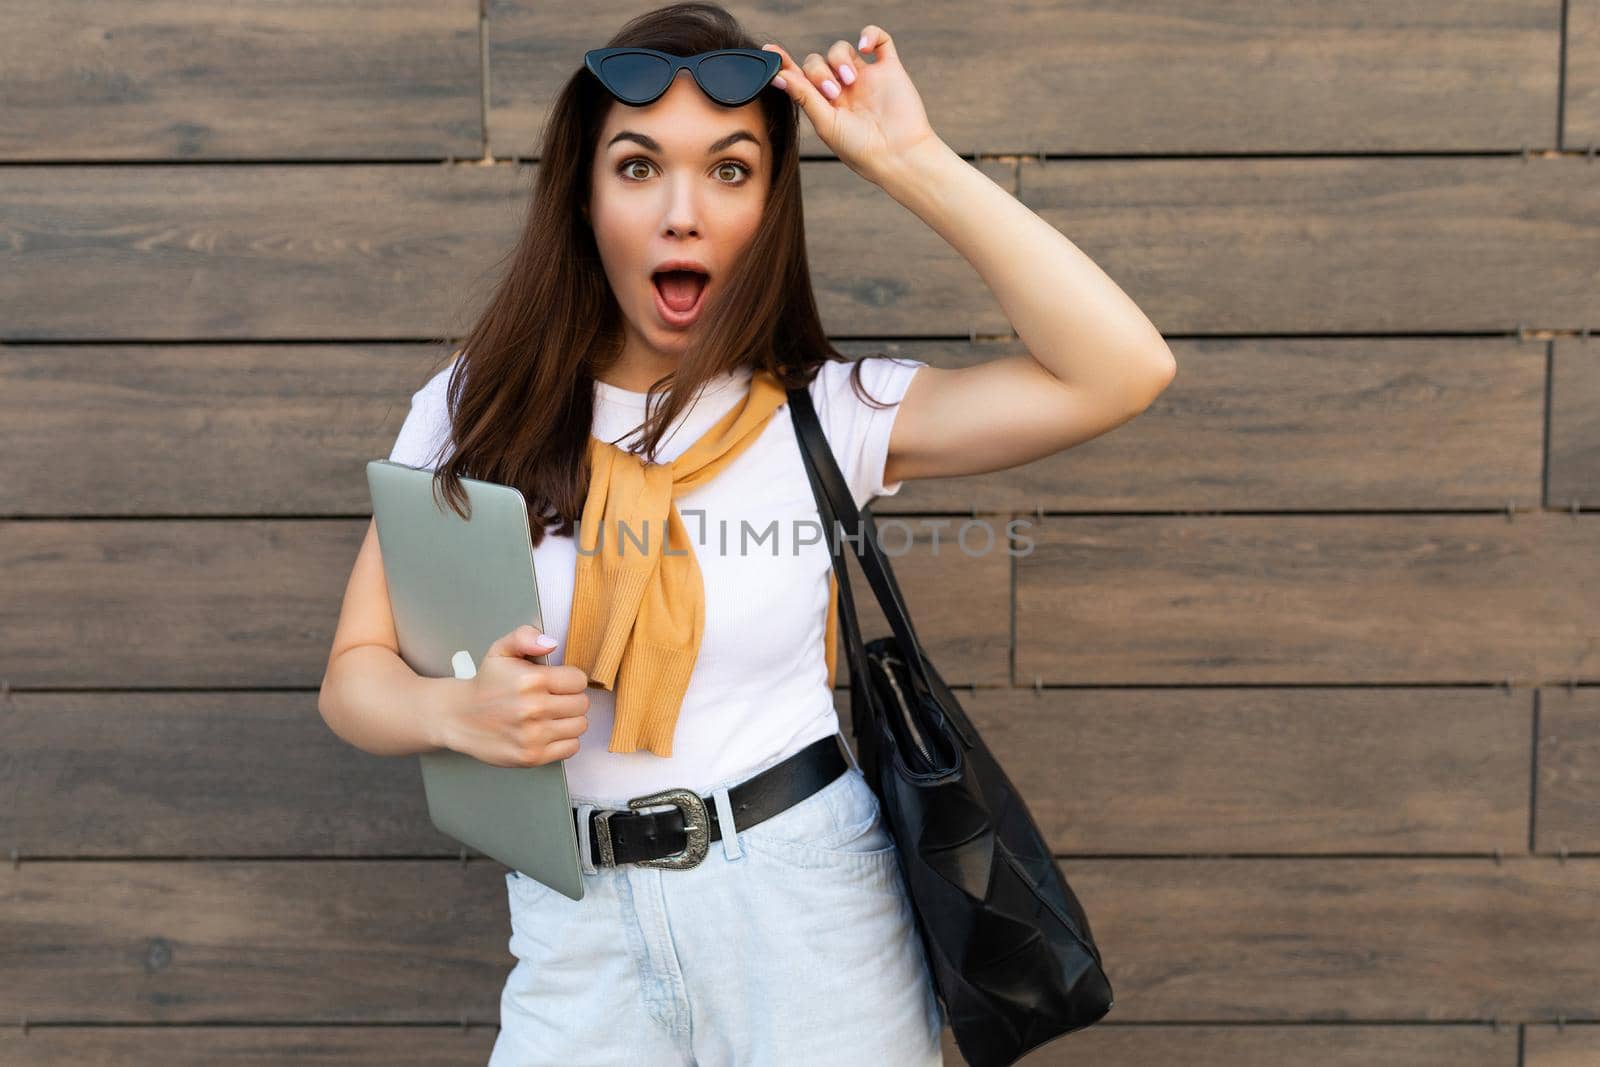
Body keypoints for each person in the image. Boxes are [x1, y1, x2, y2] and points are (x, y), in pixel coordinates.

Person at [319, 3, 1176, 1064]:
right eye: (637, 168)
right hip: (576, 923)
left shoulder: (825, 410)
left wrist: (910, 159)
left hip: (807, 912)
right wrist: (453, 709)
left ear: (771, 203)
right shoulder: (473, 409)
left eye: (730, 170)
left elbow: (1122, 369)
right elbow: (352, 676)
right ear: (583, 197)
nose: (683, 213)